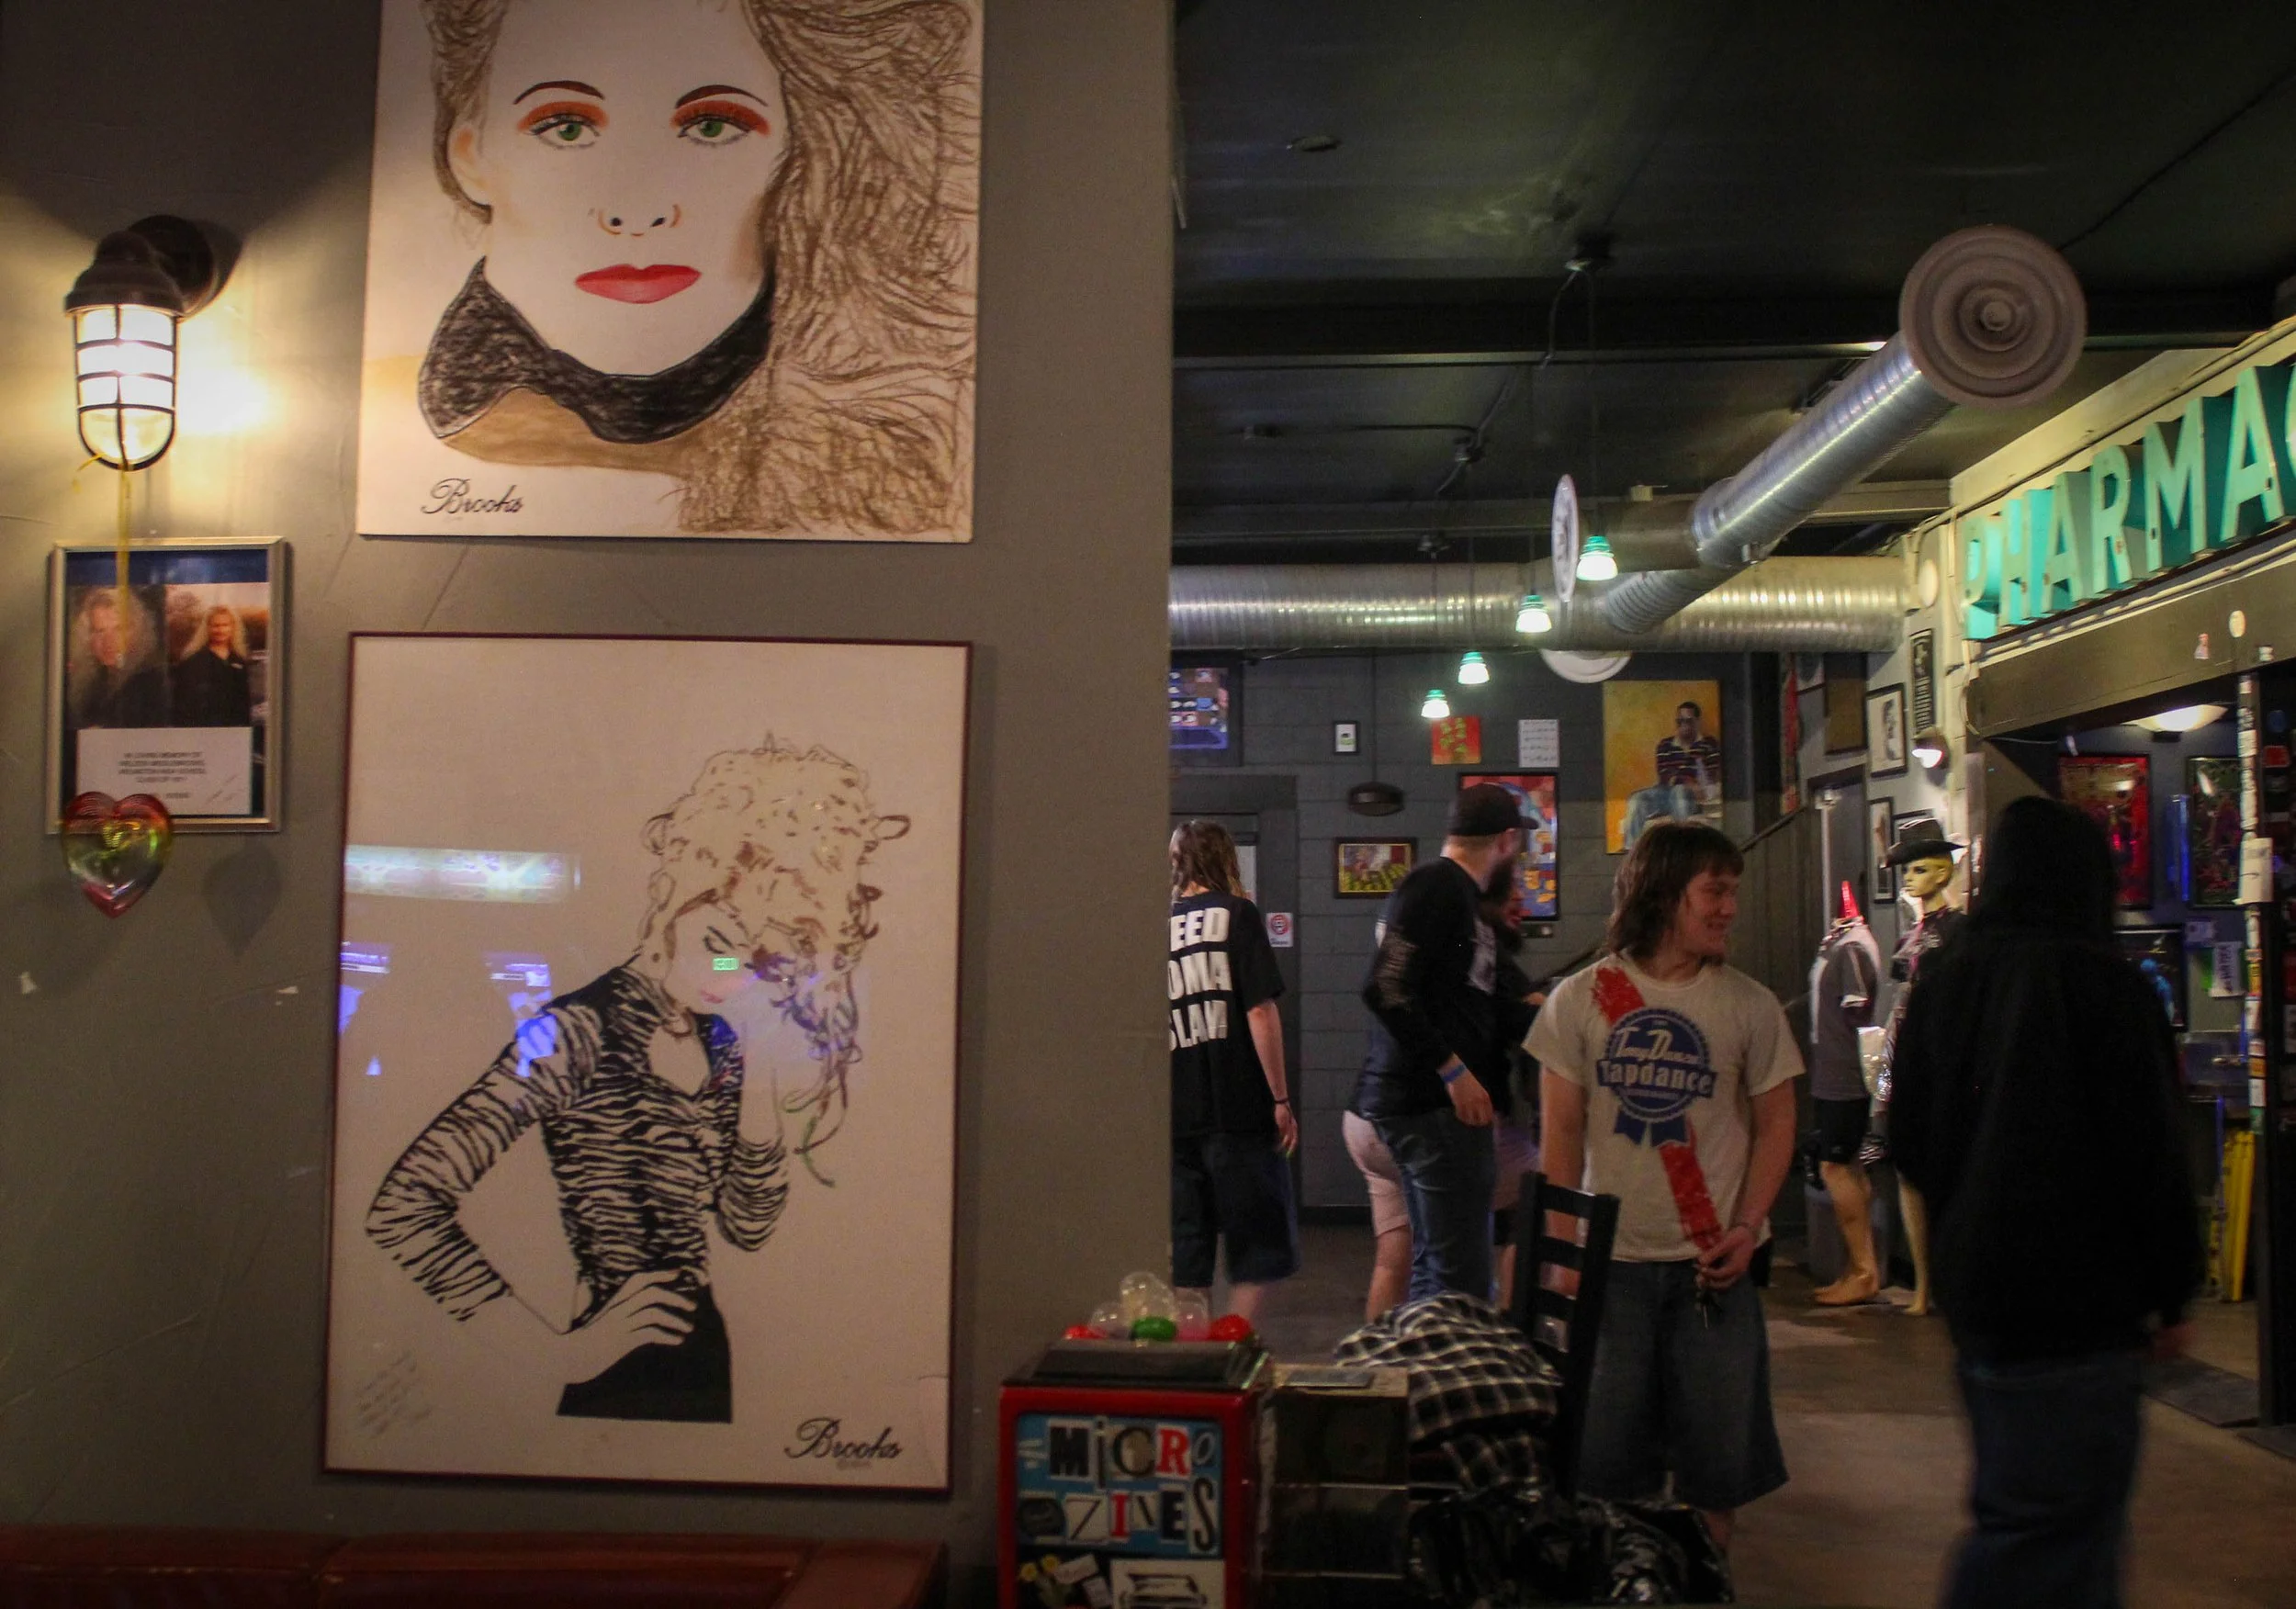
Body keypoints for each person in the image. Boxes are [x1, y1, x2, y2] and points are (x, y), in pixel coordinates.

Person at [366, 738, 909, 1423]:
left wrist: (762, 1060)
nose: (733, 973)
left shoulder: (724, 1038)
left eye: (762, 959)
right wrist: (552, 1353)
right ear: (680, 896)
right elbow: (404, 1206)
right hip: (611, 1357)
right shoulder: (574, 1033)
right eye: (719, 946)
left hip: (704, 1357)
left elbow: (747, 1226)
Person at [415, 0, 975, 536]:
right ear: (470, 157)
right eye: (566, 127)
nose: (636, 213)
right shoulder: (437, 427)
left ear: (804, 149)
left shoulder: (891, 434)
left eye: (711, 126)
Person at [1891, 797, 2200, 1609]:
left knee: (2043, 1516)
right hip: (2085, 1305)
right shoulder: (2111, 987)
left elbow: (1912, 1138)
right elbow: (2152, 1155)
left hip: (1982, 1301)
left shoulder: (1946, 979)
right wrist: (2173, 1291)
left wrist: (1968, 1217)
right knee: (2052, 1530)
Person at [1529, 820, 1800, 1551]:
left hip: (1713, 1273)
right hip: (1609, 1272)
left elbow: (1779, 1124)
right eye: (1714, 891)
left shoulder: (1750, 1006)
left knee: (1716, 1476)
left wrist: (1748, 1227)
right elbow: (1558, 1135)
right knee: (1607, 1472)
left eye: (1732, 892)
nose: (1728, 909)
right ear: (1662, 892)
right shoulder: (1579, 1001)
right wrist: (1563, 1256)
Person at [1340, 866, 1541, 1321]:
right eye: (1512, 895)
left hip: (1368, 1122)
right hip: (1429, 1119)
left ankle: (1379, 1375)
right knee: (1541, 1193)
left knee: (1397, 1261)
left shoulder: (1444, 946)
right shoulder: (1481, 948)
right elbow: (1521, 1019)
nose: (1521, 905)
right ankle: (1507, 1335)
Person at [1167, 821, 1299, 1324]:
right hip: (1238, 1107)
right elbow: (1260, 1011)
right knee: (1258, 1246)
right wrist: (1281, 1099)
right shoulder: (1238, 915)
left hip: (1178, 1111)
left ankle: (1191, 1365)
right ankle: (1230, 1353)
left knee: (1189, 1246)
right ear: (1226, 860)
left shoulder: (1161, 923)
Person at [66, 586, 167, 732]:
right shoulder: (93, 683)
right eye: (99, 631)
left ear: (137, 630)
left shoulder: (151, 685)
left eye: (119, 629)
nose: (108, 641)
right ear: (88, 636)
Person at [1623, 701, 1722, 845]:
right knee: (1636, 798)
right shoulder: (1665, 745)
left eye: (1688, 721)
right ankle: (1630, 849)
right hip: (1664, 793)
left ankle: (1682, 847)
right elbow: (1665, 775)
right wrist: (1688, 780)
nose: (1683, 725)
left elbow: (1711, 774)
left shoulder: (1709, 744)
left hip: (1691, 797)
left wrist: (1689, 783)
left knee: (1679, 791)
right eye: (1679, 721)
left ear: (1697, 722)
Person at [170, 605, 253, 727]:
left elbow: (244, 702)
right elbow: (183, 704)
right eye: (216, 625)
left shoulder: (239, 661)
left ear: (233, 627)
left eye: (225, 625)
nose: (221, 630)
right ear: (207, 628)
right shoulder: (193, 662)